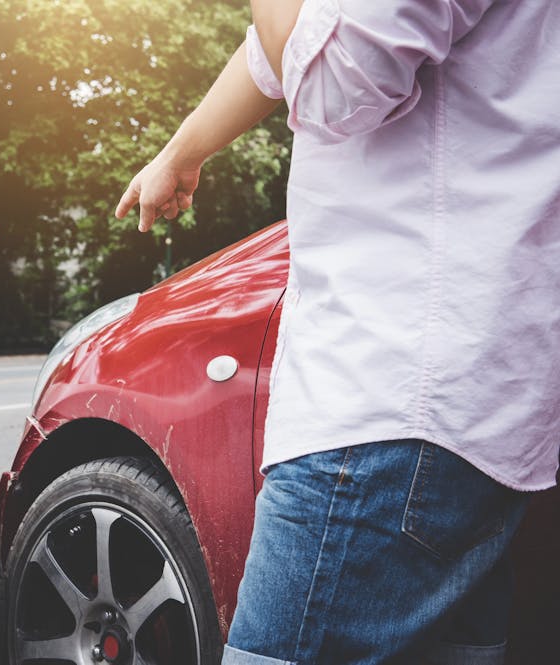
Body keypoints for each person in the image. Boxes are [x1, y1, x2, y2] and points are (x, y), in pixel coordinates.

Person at [117, 1, 560, 663]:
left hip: (391, 397)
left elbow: (339, 78)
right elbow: (293, 44)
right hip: (454, 398)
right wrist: (182, 151)